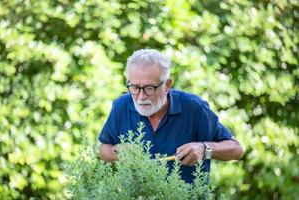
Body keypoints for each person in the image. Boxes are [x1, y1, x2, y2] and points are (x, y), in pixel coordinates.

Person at [98, 49, 243, 183]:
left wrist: (205, 149)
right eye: (135, 87)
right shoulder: (121, 106)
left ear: (167, 85)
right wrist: (117, 152)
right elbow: (103, 150)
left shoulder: (193, 107)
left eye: (149, 88)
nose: (141, 97)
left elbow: (237, 150)